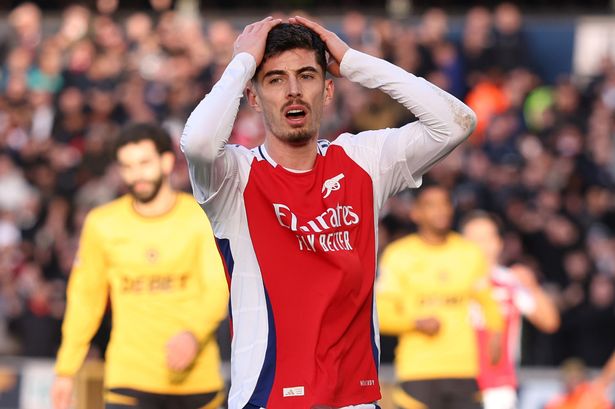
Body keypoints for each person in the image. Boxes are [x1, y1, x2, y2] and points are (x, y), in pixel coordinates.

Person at [180, 16, 476, 409]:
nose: (293, 91)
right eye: (275, 80)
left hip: (356, 401)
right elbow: (198, 143)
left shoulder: (363, 161)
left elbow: (455, 123)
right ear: (253, 97)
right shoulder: (234, 177)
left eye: (306, 76)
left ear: (328, 89)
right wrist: (242, 63)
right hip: (267, 401)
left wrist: (354, 62)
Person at [51, 123, 228, 409]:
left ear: (166, 162)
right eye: (127, 166)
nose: (136, 175)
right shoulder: (102, 224)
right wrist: (66, 369)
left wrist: (193, 333)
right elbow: (85, 299)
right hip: (129, 379)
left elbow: (217, 287)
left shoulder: (199, 217)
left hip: (198, 382)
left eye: (144, 163)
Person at [376, 183, 503, 409]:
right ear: (415, 213)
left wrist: (496, 332)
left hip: (464, 369)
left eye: (445, 204)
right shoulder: (398, 255)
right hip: (418, 370)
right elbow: (382, 316)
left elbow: (488, 301)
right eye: (431, 205)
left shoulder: (469, 252)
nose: (440, 210)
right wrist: (415, 323)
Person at [461, 210, 560, 409]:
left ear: (498, 242)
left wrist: (532, 286)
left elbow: (550, 322)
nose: (479, 245)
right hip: (455, 381)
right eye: (472, 239)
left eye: (485, 238)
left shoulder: (510, 281)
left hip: (499, 388)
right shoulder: (450, 283)